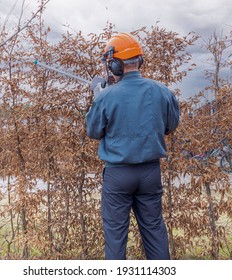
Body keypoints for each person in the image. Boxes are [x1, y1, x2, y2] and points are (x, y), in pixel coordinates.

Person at [85, 32, 180, 260]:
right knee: (155, 231)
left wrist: (99, 95)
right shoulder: (162, 91)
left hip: (118, 175)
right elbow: (170, 125)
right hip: (150, 173)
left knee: (116, 239)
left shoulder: (106, 97)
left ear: (115, 64)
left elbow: (93, 131)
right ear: (140, 60)